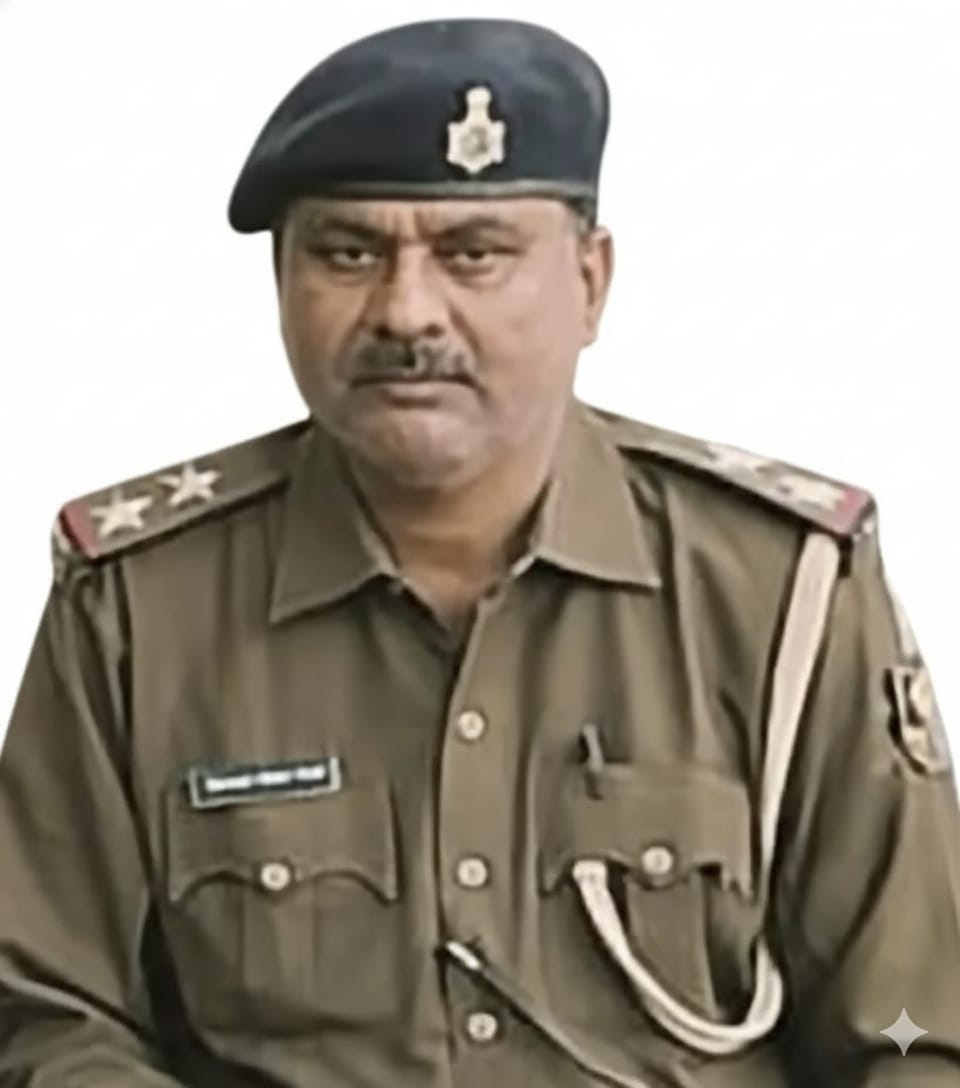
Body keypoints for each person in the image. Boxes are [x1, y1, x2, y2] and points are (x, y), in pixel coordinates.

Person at [1, 16, 958, 1088]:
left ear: (591, 282)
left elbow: (912, 1034)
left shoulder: (783, 593)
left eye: (474, 254)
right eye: (348, 252)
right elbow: (47, 1014)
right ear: (279, 281)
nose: (407, 312)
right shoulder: (138, 607)